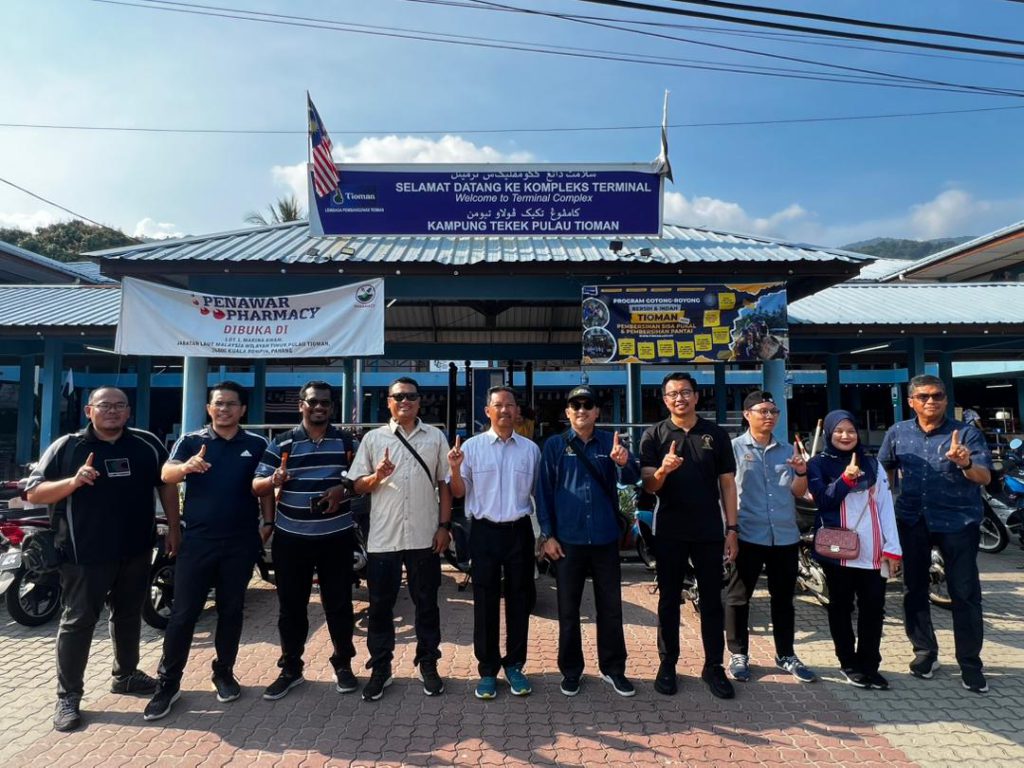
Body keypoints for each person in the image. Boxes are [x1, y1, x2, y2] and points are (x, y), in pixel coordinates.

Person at [25, 386, 179, 732]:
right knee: (78, 621)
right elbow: (34, 492)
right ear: (88, 410)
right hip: (83, 553)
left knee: (128, 614)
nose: (112, 411)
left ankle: (125, 675)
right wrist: (74, 481)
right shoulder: (67, 447)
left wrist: (173, 526)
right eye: (105, 405)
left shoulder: (147, 444)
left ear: (128, 411)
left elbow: (166, 484)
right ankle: (68, 696)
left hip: (136, 549)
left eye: (119, 405)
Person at [143, 381, 271, 721]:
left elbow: (265, 487)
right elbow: (166, 474)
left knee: (231, 610)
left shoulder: (257, 444)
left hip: (240, 542)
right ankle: (168, 683)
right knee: (183, 614)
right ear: (209, 408)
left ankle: (224, 672)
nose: (224, 409)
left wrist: (268, 523)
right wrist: (186, 468)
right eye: (218, 403)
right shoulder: (191, 441)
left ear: (242, 409)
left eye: (231, 404)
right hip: (198, 541)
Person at [878, 374, 992, 693]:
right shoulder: (897, 432)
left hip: (959, 522)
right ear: (911, 401)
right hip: (912, 520)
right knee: (914, 589)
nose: (931, 401)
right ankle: (925, 653)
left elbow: (984, 477)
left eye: (938, 395)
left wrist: (965, 463)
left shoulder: (966, 434)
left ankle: (970, 663)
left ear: (945, 399)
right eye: (924, 396)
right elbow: (883, 472)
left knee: (964, 593)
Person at [252, 381, 359, 701]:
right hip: (291, 539)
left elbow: (363, 481)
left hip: (336, 538)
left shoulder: (346, 442)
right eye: (313, 402)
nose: (319, 407)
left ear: (332, 407)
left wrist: (344, 489)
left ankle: (343, 664)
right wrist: (273, 479)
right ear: (301, 405)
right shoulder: (283, 442)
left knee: (339, 605)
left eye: (325, 402)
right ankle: (291, 668)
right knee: (291, 608)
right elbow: (257, 485)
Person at [349, 377, 452, 701]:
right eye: (398, 396)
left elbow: (445, 483)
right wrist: (377, 476)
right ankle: (381, 667)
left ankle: (428, 663)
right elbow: (356, 485)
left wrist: (444, 526)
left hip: (424, 535)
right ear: (388, 402)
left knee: (427, 604)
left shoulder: (435, 437)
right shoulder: (373, 438)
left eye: (411, 396)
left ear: (419, 402)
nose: (405, 401)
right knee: (380, 606)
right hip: (384, 538)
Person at [639, 372, 739, 700]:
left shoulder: (716, 434)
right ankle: (668, 664)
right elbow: (650, 486)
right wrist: (663, 469)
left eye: (685, 392)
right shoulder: (654, 435)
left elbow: (727, 484)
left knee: (711, 601)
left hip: (709, 530)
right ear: (664, 399)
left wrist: (732, 529)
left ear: (696, 396)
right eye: (672, 394)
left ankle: (713, 666)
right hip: (670, 530)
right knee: (669, 600)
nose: (679, 398)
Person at [535, 385, 639, 698]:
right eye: (575, 405)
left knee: (611, 608)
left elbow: (632, 478)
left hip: (605, 538)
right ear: (567, 412)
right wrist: (547, 535)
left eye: (587, 405)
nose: (581, 410)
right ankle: (571, 671)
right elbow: (544, 493)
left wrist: (623, 462)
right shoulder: (555, 445)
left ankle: (613, 669)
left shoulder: (611, 442)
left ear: (597, 412)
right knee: (568, 610)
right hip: (568, 541)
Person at [448, 385, 541, 700]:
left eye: (509, 405)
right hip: (484, 531)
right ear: (487, 411)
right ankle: (487, 670)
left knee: (520, 599)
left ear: (517, 411)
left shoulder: (530, 450)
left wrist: (543, 534)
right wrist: (455, 469)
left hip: (519, 531)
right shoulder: (472, 448)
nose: (504, 410)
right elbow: (459, 492)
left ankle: (514, 665)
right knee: (485, 600)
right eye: (498, 405)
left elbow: (538, 495)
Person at [807, 410, 903, 690]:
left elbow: (885, 507)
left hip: (874, 552)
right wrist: (846, 480)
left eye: (850, 430)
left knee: (874, 609)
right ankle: (848, 663)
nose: (845, 436)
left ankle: (870, 665)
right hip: (838, 551)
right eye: (838, 431)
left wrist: (893, 549)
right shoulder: (818, 464)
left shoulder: (872, 464)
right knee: (840, 607)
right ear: (829, 433)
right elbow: (824, 501)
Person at [725, 391, 816, 685]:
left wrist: (801, 471)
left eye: (773, 412)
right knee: (739, 597)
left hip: (784, 536)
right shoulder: (733, 449)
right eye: (762, 411)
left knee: (784, 600)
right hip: (748, 534)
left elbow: (799, 492)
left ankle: (786, 654)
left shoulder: (788, 450)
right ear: (747, 414)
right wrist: (730, 531)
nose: (769, 416)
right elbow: (724, 492)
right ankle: (738, 654)